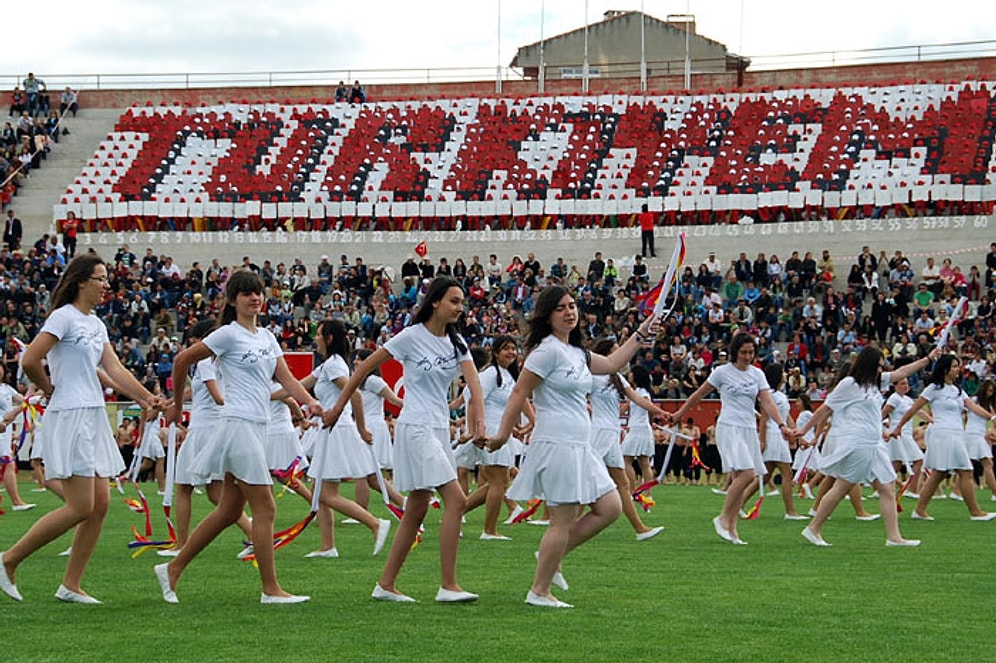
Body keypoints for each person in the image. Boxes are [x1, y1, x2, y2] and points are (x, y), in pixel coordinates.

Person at [156, 269, 323, 604]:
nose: (255, 297)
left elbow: (286, 377)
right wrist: (175, 406)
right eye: (246, 293)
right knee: (266, 508)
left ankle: (173, 568)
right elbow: (181, 360)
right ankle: (270, 589)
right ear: (233, 300)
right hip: (238, 425)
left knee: (230, 510)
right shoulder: (227, 335)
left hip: (258, 426)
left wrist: (310, 403)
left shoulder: (267, 337)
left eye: (258, 291)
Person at [489, 285, 659, 608]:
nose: (570, 312)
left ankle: (550, 557)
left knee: (610, 507)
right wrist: (502, 435)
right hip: (558, 441)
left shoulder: (577, 352)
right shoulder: (546, 351)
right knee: (563, 519)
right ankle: (539, 591)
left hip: (581, 443)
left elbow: (610, 363)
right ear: (547, 315)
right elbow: (518, 394)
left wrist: (641, 333)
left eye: (573, 306)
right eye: (561, 308)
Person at [2, 254, 159, 603]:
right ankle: (8, 560)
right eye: (101, 279)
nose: (107, 285)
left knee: (99, 505)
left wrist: (149, 398)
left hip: (91, 413)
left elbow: (114, 369)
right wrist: (47, 386)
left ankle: (70, 585)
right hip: (71, 413)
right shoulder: (63, 317)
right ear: (81, 281)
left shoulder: (96, 324)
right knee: (80, 506)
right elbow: (30, 359)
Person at [324, 276, 485, 603]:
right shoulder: (411, 337)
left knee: (416, 509)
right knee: (455, 500)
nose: (460, 308)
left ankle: (385, 585)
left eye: (462, 302)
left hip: (439, 428)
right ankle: (448, 585)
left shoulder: (458, 343)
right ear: (436, 301)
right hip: (415, 426)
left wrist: (479, 424)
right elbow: (362, 370)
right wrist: (336, 409)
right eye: (454, 301)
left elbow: (474, 386)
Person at [796, 345, 938, 547]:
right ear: (869, 365)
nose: (881, 370)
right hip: (859, 442)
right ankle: (813, 528)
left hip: (875, 443)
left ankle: (894, 537)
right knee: (842, 487)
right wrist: (803, 431)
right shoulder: (849, 384)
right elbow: (825, 409)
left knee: (887, 488)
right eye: (878, 366)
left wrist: (928, 359)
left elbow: (901, 372)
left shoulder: (874, 382)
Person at [666, 332, 796, 545]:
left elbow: (767, 402)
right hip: (729, 426)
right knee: (748, 474)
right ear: (735, 352)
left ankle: (733, 529)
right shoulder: (722, 372)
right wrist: (679, 414)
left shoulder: (757, 374)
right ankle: (723, 517)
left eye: (751, 352)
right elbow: (699, 394)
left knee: (739, 477)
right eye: (743, 352)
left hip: (747, 429)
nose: (747, 356)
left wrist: (782, 425)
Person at [163, 319, 252, 558]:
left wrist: (228, 404)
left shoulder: (203, 360)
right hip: (215, 427)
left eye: (193, 339)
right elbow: (201, 389)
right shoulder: (220, 361)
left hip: (203, 429)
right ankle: (255, 534)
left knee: (184, 486)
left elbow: (215, 395)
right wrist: (171, 401)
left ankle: (182, 544)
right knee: (215, 492)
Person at [302, 319, 392, 556]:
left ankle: (374, 523)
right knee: (319, 488)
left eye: (319, 334)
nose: (316, 338)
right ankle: (327, 546)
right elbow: (299, 386)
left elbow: (356, 396)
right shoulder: (328, 365)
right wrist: (270, 396)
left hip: (336, 431)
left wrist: (361, 428)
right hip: (330, 430)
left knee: (325, 493)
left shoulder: (333, 366)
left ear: (329, 338)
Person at [889, 354, 996, 521]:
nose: (957, 370)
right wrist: (898, 427)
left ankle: (919, 510)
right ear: (945, 369)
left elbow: (972, 407)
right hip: (942, 433)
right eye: (954, 366)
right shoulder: (933, 388)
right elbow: (914, 409)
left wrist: (992, 418)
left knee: (939, 472)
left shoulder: (958, 390)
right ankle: (975, 512)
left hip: (956, 434)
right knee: (966, 471)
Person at [589, 338, 666, 541]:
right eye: (616, 351)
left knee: (622, 484)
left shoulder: (617, 378)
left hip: (612, 433)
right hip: (599, 433)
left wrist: (661, 413)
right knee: (587, 478)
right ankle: (564, 525)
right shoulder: (592, 375)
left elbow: (638, 399)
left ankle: (640, 529)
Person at [462, 335, 532, 540]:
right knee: (499, 481)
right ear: (495, 352)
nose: (511, 352)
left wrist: (515, 428)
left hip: (501, 431)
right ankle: (489, 530)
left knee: (498, 482)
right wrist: (476, 430)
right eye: (506, 349)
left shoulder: (507, 376)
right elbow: (474, 400)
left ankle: (457, 511)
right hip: (489, 431)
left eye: (513, 348)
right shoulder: (491, 374)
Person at [881, 376, 926, 499]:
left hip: (906, 433)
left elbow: (917, 411)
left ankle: (883, 487)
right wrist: (883, 429)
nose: (905, 386)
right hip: (898, 434)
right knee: (919, 460)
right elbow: (883, 413)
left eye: (906, 384)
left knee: (896, 463)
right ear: (895, 386)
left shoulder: (907, 399)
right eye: (902, 384)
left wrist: (931, 420)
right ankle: (912, 490)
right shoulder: (894, 399)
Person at [0, 363, 32, 511]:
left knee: (8, 464)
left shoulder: (6, 389)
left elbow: (24, 401)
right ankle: (16, 502)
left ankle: (16, 501)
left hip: (5, 430)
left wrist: (32, 391)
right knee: (8, 464)